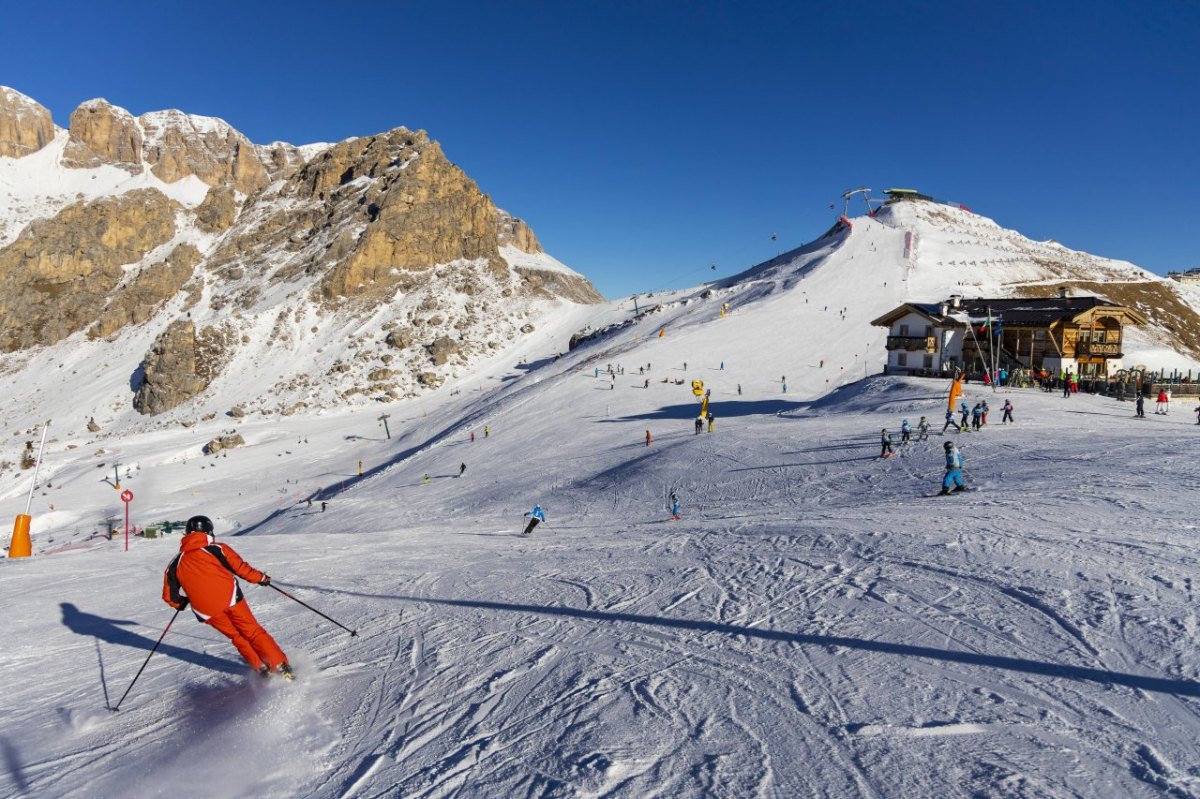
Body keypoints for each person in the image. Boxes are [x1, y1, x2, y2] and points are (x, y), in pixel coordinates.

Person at [162, 516, 291, 678]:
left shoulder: (175, 563)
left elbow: (170, 596)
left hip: (206, 611)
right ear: (208, 531)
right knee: (252, 632)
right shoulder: (215, 548)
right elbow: (241, 568)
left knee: (237, 637)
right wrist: (261, 578)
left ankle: (261, 669)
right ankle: (280, 667)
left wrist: (180, 603)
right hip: (230, 599)